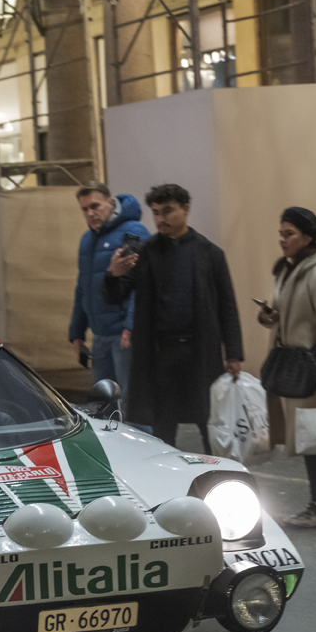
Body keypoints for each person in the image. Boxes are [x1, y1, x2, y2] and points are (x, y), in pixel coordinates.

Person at [104, 183, 243, 453]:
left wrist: (234, 353)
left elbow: (227, 305)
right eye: (155, 213)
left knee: (210, 423)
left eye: (167, 211)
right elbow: (115, 296)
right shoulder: (145, 253)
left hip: (200, 352)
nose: (160, 219)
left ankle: (217, 481)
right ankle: (168, 486)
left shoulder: (210, 254)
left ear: (186, 209)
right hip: (160, 356)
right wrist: (113, 275)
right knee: (163, 428)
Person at [258, 208, 316, 528]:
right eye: (281, 233)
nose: (283, 240)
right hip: (299, 368)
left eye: (290, 234)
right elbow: (286, 312)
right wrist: (270, 316)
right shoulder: (289, 269)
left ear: (308, 236)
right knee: (312, 440)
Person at [68, 183, 149, 414]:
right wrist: (77, 332)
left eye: (95, 206)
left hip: (124, 335)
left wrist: (131, 325)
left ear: (110, 203)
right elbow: (83, 286)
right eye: (84, 209)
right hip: (100, 335)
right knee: (102, 405)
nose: (90, 213)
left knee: (133, 404)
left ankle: (143, 449)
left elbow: (141, 285)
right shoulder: (87, 240)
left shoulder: (133, 232)